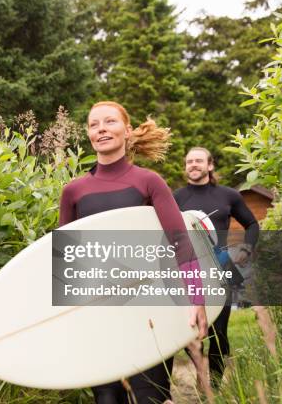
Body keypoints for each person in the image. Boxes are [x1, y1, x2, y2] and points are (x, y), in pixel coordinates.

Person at [59, 101, 208, 404]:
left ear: (127, 130)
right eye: (94, 124)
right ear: (89, 134)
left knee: (149, 395)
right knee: (107, 397)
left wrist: (196, 298)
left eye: (110, 122)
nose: (101, 128)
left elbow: (179, 241)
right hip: (98, 311)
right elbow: (66, 262)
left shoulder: (148, 181)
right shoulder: (73, 191)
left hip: (147, 309)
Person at [173, 147, 259, 387]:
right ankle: (201, 376)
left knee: (218, 333)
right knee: (192, 331)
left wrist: (246, 248)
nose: (193, 165)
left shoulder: (229, 195)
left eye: (198, 161)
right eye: (189, 161)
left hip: (221, 266)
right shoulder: (176, 198)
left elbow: (251, 223)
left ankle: (215, 387)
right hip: (189, 269)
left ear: (210, 165)